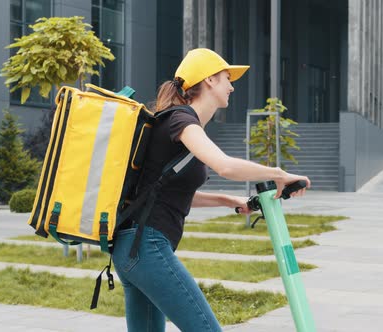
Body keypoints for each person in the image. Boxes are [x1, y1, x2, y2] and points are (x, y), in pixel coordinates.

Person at [112, 48, 311, 332]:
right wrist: (279, 174)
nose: (231, 86)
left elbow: (169, 194)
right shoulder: (180, 120)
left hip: (132, 250)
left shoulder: (176, 122)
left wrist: (230, 200)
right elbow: (225, 166)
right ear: (208, 81)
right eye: (226, 78)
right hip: (147, 247)